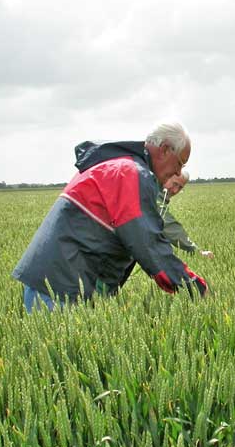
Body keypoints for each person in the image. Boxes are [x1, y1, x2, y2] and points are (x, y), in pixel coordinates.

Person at [12, 122, 208, 313]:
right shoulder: (130, 173)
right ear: (165, 149)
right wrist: (193, 286)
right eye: (180, 163)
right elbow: (147, 243)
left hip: (55, 281)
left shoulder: (116, 165)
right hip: (60, 288)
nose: (178, 172)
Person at [158, 171, 214, 258]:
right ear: (166, 176)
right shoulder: (153, 195)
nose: (175, 190)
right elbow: (168, 225)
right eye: (175, 184)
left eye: (180, 187)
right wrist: (196, 251)